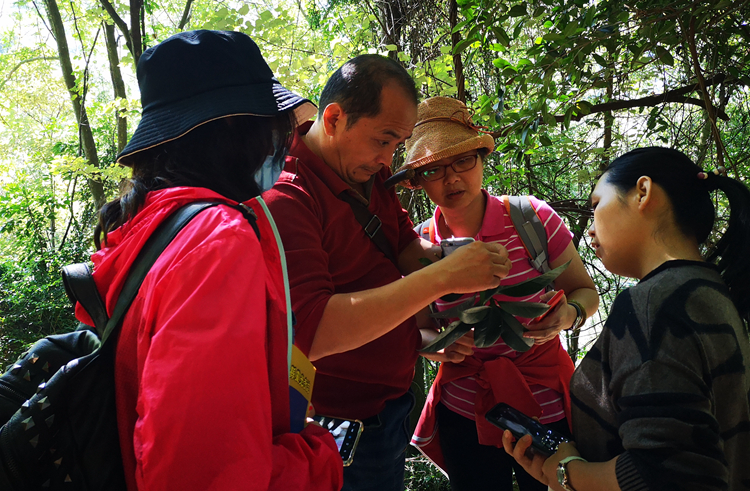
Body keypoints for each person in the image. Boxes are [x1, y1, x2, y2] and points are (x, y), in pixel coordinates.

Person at [76, 30, 343, 490]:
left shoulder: (141, 228)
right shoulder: (216, 241)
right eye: (274, 125)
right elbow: (203, 474)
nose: (285, 142)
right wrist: (317, 457)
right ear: (232, 128)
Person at [263, 57, 512, 491]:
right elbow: (316, 330)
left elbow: (402, 249)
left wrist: (458, 258)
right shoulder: (289, 196)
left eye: (397, 144)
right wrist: (444, 277)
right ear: (335, 118)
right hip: (341, 427)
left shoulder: (367, 172)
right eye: (384, 140)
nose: (387, 159)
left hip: (391, 406)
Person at [503, 146, 750, 491]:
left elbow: (664, 472)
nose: (590, 230)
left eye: (596, 205)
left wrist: (566, 474)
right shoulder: (713, 293)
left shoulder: (652, 305)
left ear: (643, 193)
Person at [393, 97, 598, 491]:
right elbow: (418, 331)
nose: (452, 178)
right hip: (463, 408)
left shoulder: (532, 218)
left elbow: (585, 291)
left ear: (481, 159)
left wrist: (570, 313)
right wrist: (438, 345)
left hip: (544, 403)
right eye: (434, 169)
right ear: (417, 181)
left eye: (463, 161)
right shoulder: (418, 245)